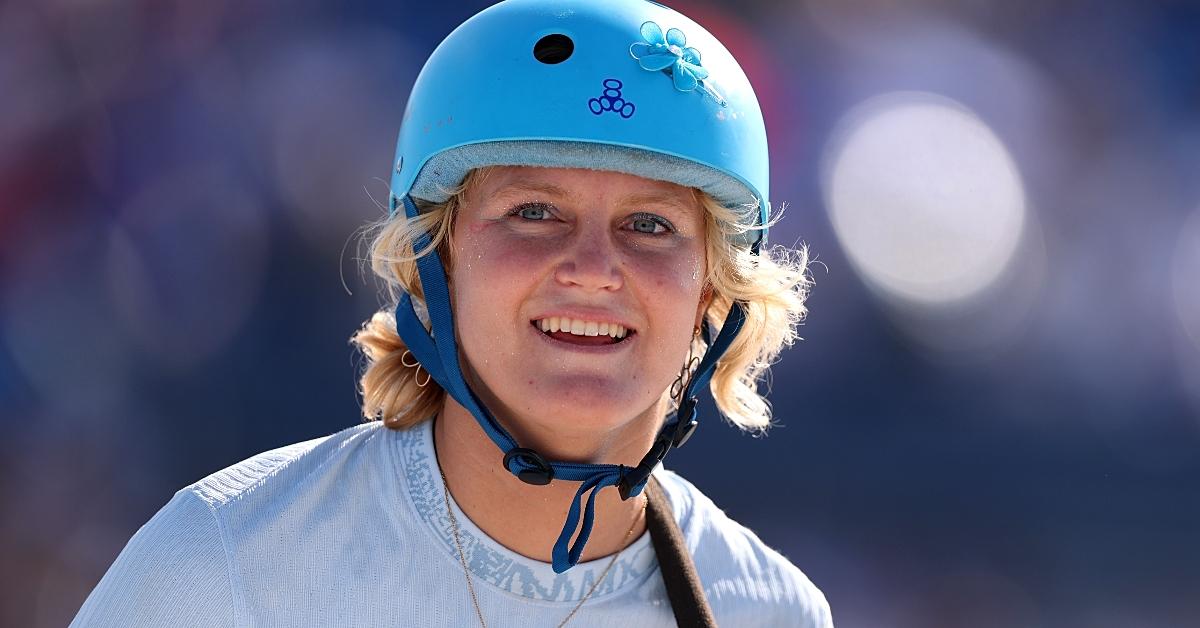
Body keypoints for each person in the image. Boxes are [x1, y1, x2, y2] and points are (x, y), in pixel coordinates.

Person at [71, 0, 832, 626]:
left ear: (713, 291)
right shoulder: (224, 563)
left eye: (652, 225)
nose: (595, 270)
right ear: (434, 260)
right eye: (534, 211)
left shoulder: (769, 612)